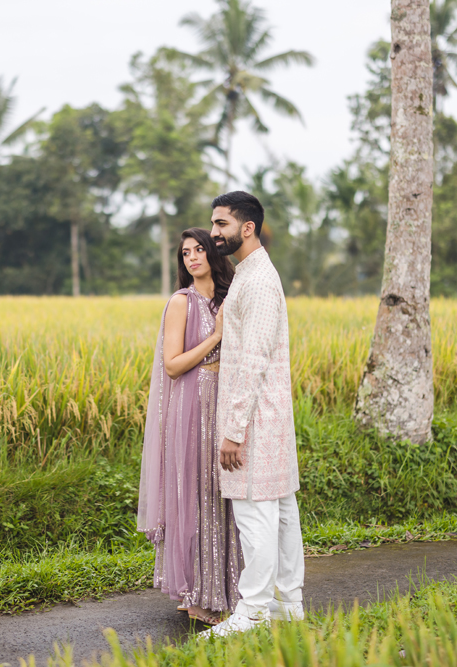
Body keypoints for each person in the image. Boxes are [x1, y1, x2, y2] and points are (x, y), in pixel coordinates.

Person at [204, 191, 305, 638]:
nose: (213, 233)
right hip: (268, 419)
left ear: (248, 228)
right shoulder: (250, 275)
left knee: (257, 517)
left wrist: (234, 429)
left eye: (221, 224)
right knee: (280, 514)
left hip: (256, 423)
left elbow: (253, 359)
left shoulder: (259, 280)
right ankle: (287, 605)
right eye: (213, 223)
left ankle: (254, 611)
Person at [137, 227, 244, 625]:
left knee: (223, 494)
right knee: (198, 493)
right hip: (192, 406)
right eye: (185, 253)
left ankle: (226, 587)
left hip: (225, 401)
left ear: (214, 254)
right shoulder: (181, 302)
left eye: (199, 250)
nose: (193, 258)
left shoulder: (230, 297)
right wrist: (215, 337)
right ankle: (198, 594)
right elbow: (172, 364)